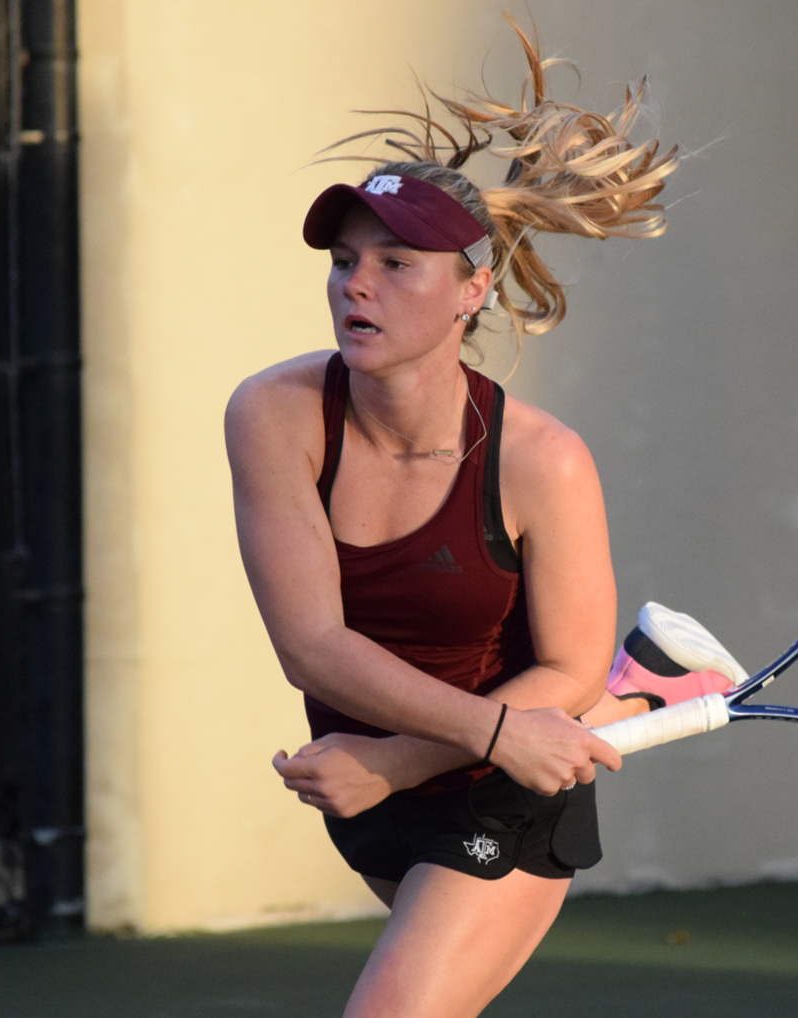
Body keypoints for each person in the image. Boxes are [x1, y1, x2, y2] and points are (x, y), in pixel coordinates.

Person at [224, 20, 731, 1017]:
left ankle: (641, 685)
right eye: (343, 259)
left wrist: (432, 750)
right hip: (384, 784)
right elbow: (313, 647)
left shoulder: (543, 462)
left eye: (397, 263)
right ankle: (652, 684)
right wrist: (450, 744)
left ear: (473, 290)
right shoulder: (274, 415)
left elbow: (565, 675)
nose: (354, 283)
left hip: (506, 793)